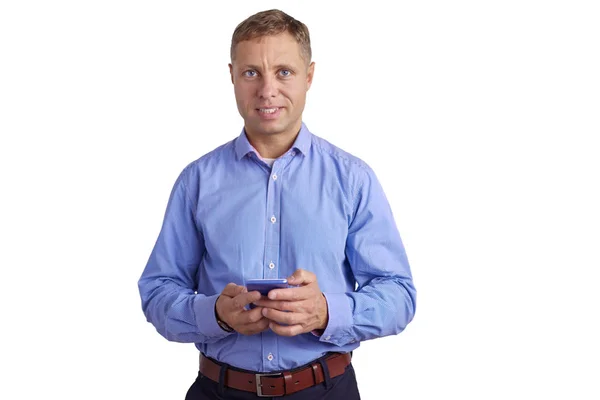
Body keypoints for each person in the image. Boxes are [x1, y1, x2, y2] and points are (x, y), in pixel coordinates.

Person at [138, 9, 416, 399]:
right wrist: (215, 315)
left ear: (309, 76)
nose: (267, 90)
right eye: (252, 72)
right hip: (219, 390)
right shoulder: (196, 181)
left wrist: (326, 312)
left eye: (283, 71)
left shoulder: (352, 179)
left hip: (326, 390)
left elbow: (399, 295)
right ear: (232, 76)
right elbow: (157, 291)